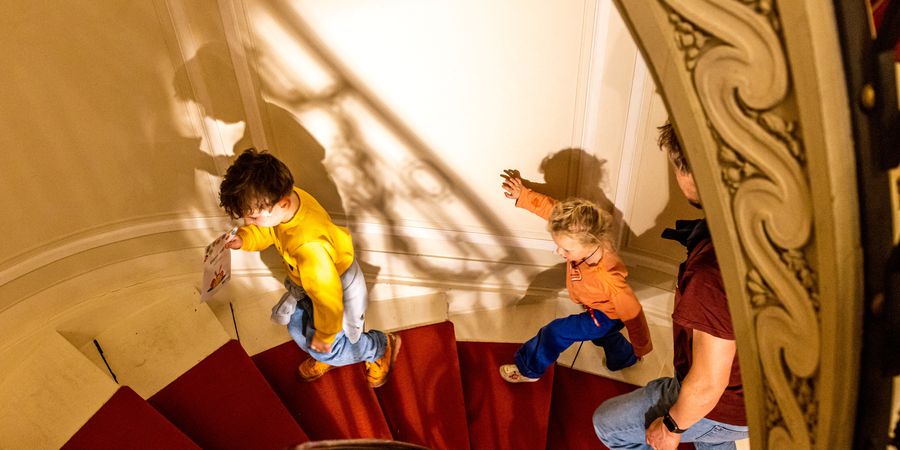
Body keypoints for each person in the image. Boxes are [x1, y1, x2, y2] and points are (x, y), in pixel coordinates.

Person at [592, 121, 748, 449]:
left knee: (607, 424)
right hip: (749, 401)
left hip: (718, 405)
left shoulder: (711, 273)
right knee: (715, 441)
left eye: (677, 165)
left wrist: (672, 428)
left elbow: (706, 384)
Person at [219, 148, 400, 387]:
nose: (248, 222)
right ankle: (322, 350)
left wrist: (326, 338)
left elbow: (328, 299)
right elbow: (268, 230)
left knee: (329, 347)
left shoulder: (309, 247)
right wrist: (245, 238)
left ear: (281, 203)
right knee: (297, 324)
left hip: (334, 287)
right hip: (307, 282)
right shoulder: (289, 200)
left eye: (252, 218)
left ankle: (378, 347)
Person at [497, 170, 653, 383]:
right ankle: (624, 359)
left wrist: (641, 345)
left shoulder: (608, 277)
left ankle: (529, 369)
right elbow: (552, 209)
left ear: (590, 242)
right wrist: (523, 195)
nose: (559, 252)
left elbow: (633, 313)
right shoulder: (580, 234)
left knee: (556, 332)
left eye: (565, 250)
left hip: (603, 317)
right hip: (599, 310)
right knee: (605, 338)